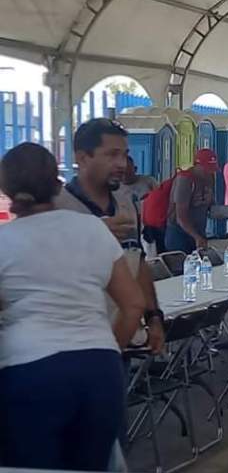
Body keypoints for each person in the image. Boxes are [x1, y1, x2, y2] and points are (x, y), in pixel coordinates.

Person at [0, 142, 145, 473]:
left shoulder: (5, 243)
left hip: (28, 372)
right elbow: (133, 304)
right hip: (100, 370)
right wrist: (107, 348)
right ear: (57, 182)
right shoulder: (93, 229)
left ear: (6, 188)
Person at [55, 117, 165, 354]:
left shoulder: (127, 204)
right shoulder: (58, 207)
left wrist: (154, 316)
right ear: (82, 158)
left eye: (124, 155)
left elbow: (138, 262)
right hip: (75, 343)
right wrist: (91, 235)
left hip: (123, 338)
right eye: (112, 155)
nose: (121, 164)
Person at [165, 148, 218, 254]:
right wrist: (197, 237)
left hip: (199, 231)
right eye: (206, 168)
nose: (209, 172)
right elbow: (181, 217)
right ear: (197, 165)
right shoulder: (184, 180)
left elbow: (210, 205)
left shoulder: (210, 178)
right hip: (179, 234)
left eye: (212, 169)